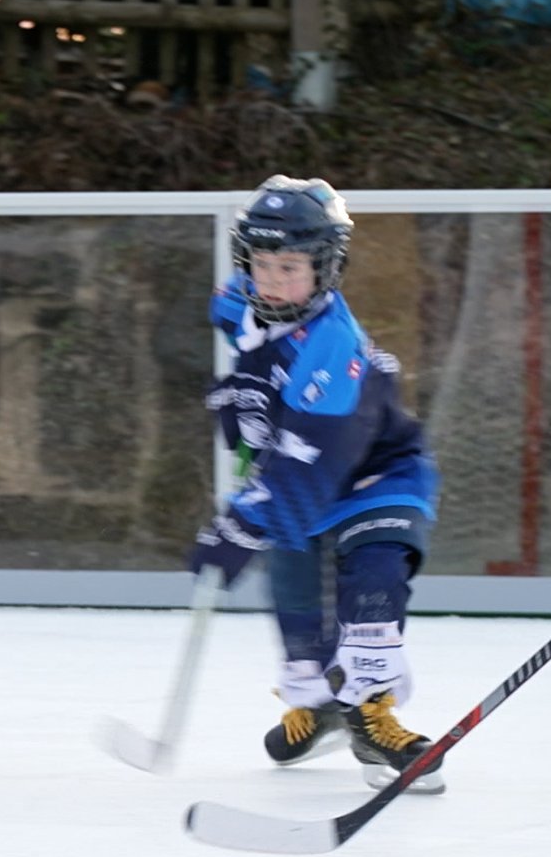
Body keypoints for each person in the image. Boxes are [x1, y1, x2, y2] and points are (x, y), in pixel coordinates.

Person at [191, 175, 446, 792]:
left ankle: (371, 710)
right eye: (261, 263)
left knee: (374, 576)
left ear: (326, 268)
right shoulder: (238, 299)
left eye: (291, 267)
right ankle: (319, 700)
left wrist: (242, 525)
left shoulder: (334, 348)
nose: (272, 280)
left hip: (379, 472)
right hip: (306, 459)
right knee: (292, 578)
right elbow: (232, 325)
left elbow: (308, 476)